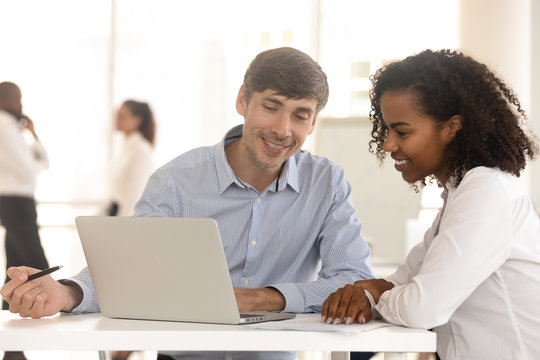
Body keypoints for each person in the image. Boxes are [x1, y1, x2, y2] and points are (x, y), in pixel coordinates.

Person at [1, 47, 374, 360]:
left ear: (313, 122)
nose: (282, 129)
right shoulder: (178, 179)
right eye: (271, 106)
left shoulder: (326, 183)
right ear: (243, 99)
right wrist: (68, 292)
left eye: (300, 115)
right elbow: (130, 267)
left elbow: (354, 281)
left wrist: (268, 298)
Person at [321, 49, 540, 360]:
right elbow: (404, 280)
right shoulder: (460, 193)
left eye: (402, 131)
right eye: (386, 130)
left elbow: (422, 308)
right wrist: (373, 291)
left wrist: (376, 295)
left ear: (451, 127)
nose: (388, 144)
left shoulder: (487, 190)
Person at [0, 82, 50, 360]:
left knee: (15, 271)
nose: (20, 103)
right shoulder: (4, 126)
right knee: (38, 267)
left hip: (19, 203)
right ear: (4, 99)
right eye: (16, 98)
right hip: (14, 202)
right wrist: (32, 159)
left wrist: (32, 133)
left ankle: (13, 349)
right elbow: (31, 170)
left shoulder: (13, 127)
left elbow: (44, 162)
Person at [107, 99, 155, 217]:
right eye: (116, 115)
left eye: (122, 116)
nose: (116, 120)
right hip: (117, 218)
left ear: (137, 120)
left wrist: (121, 228)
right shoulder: (124, 150)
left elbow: (135, 196)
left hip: (127, 221)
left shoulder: (140, 151)